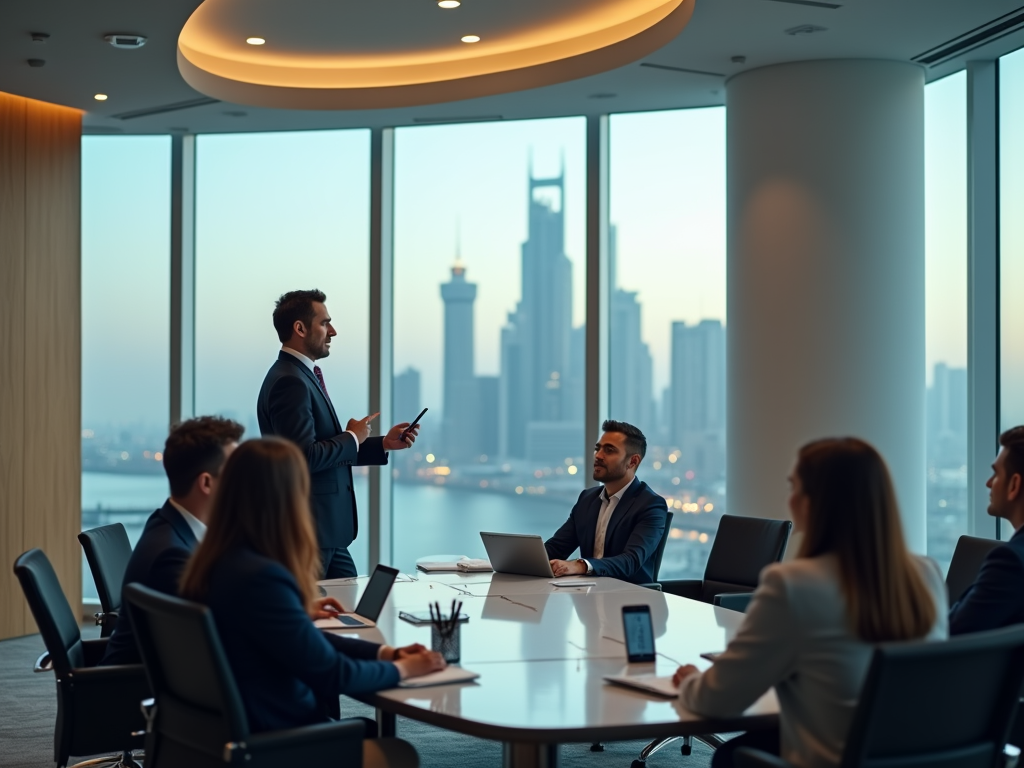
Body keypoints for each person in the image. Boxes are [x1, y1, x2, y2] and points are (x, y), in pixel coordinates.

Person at [673, 438, 948, 768]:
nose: (789, 499)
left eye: (794, 486)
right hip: (918, 758)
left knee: (730, 756)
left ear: (816, 501)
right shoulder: (927, 574)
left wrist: (690, 679)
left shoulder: (793, 585)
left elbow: (717, 700)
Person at [179, 438, 444, 766]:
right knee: (398, 754)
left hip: (230, 731)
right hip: (275, 739)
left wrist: (385, 653)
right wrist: (403, 668)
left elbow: (306, 639)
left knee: (368, 728)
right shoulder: (262, 577)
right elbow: (333, 674)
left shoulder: (216, 562)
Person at [257, 289, 419, 578]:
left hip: (327, 534)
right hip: (309, 532)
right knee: (320, 617)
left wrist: (381, 443)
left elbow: (321, 448)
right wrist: (352, 438)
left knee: (350, 613)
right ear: (300, 328)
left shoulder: (300, 376)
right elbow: (303, 458)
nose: (333, 331)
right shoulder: (290, 382)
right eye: (325, 323)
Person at [100, 416, 243, 666]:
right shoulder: (171, 556)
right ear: (207, 483)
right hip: (137, 693)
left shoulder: (172, 525)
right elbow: (226, 632)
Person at [545, 420, 668, 584]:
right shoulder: (587, 499)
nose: (598, 455)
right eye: (598, 448)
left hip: (629, 599)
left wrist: (581, 566)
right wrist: (517, 561)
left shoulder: (651, 505)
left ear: (633, 461)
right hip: (587, 595)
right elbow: (556, 548)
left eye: (609, 450)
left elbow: (630, 562)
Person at [949, 426, 1024, 635]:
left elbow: (954, 631)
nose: (988, 483)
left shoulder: (1009, 562)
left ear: (1014, 485)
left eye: (996, 473)